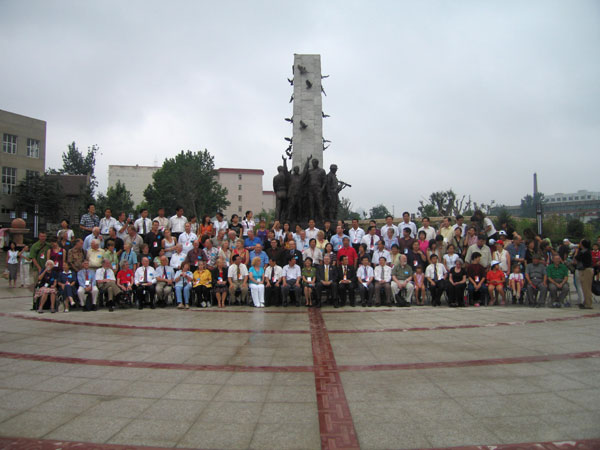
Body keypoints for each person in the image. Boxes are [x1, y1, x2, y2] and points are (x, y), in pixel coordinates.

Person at [573, 239, 593, 309]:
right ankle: (585, 302)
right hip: (586, 270)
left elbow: (576, 258)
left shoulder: (583, 252)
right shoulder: (587, 251)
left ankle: (588, 304)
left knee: (586, 288)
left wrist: (576, 251)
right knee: (584, 287)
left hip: (586, 270)